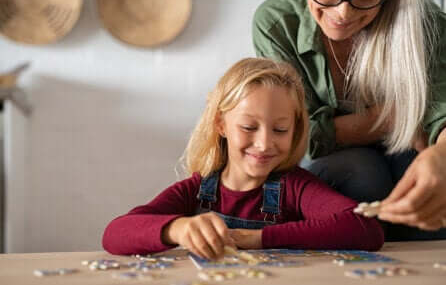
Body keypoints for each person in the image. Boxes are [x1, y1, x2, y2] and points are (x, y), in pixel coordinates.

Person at [102, 58, 384, 259]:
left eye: (281, 129)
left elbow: (365, 228)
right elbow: (114, 234)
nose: (264, 143)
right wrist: (178, 228)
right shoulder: (197, 191)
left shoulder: (295, 187)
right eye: (249, 127)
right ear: (220, 125)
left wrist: (261, 239)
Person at [252, 0, 446, 240]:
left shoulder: (427, 23)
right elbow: (300, 136)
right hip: (334, 162)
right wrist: (391, 119)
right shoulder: (277, 23)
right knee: (361, 173)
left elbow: (440, 114)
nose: (343, 13)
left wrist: (441, 157)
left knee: (425, 183)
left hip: (407, 149)